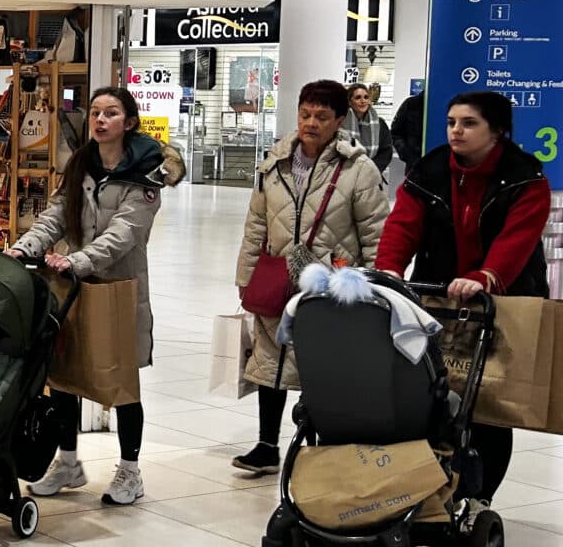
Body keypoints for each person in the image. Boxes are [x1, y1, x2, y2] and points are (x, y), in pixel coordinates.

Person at [8, 86, 183, 506]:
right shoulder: (80, 164)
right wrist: (25, 247)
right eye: (96, 113)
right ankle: (68, 463)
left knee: (121, 383)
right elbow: (55, 216)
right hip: (71, 286)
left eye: (111, 113)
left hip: (118, 289)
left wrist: (78, 260)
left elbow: (125, 233)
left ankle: (130, 472)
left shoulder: (146, 174)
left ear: (130, 122)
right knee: (63, 377)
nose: (101, 120)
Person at [375, 89, 551, 502]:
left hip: (503, 297)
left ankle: (479, 497)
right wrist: (389, 268)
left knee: (487, 405)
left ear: (497, 130)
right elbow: (403, 224)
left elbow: (517, 240)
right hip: (439, 293)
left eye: (469, 123)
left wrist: (485, 277)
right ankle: (432, 489)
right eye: (452, 122)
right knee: (433, 395)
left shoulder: (526, 178)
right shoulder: (430, 169)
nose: (456, 131)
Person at [232, 79, 391, 474]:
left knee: (324, 367)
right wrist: (245, 276)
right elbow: (256, 225)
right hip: (278, 276)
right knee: (271, 359)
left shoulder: (358, 169)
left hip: (332, 283)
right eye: (305, 114)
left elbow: (376, 232)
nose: (311, 123)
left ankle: (323, 451)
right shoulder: (274, 164)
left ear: (339, 120)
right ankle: (267, 444)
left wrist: (376, 285)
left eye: (321, 116)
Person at [341, 83, 394, 177]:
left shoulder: (380, 123)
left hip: (371, 174)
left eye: (366, 97)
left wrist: (371, 170)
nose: (363, 101)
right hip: (345, 173)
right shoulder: (340, 122)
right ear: (349, 101)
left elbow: (386, 151)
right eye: (358, 97)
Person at [392, 85, 426, 171]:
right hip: (414, 168)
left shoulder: (448, 104)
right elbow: (395, 133)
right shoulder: (411, 104)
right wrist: (410, 157)